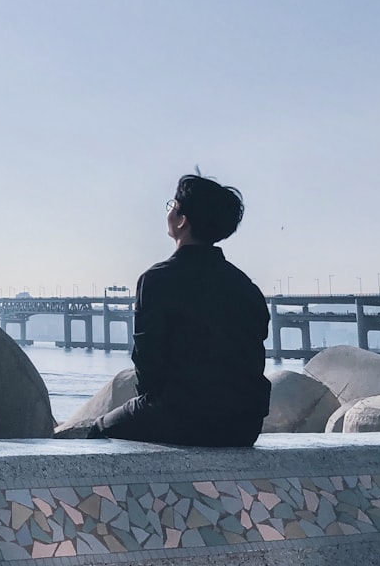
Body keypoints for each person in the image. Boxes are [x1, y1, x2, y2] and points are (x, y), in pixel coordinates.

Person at [91, 174, 271, 446]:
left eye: (172, 206)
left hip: (182, 417)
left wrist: (154, 404)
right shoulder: (246, 286)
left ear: (181, 220)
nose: (169, 212)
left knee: (99, 431)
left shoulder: (157, 279)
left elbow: (147, 360)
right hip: (245, 424)